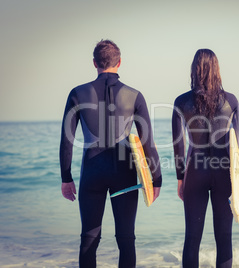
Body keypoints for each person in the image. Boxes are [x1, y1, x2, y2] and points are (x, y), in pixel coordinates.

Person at [59, 39, 162, 268]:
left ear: (94, 62)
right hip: (124, 173)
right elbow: (147, 143)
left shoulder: (77, 93)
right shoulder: (135, 95)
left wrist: (66, 178)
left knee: (89, 238)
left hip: (92, 172)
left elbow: (67, 140)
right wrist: (156, 179)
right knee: (126, 239)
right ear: (120, 62)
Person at [172, 49, 239, 268]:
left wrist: (181, 178)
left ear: (193, 69)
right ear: (217, 69)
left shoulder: (181, 102)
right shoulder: (230, 100)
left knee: (192, 238)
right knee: (224, 237)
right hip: (225, 173)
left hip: (195, 172)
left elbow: (178, 146)